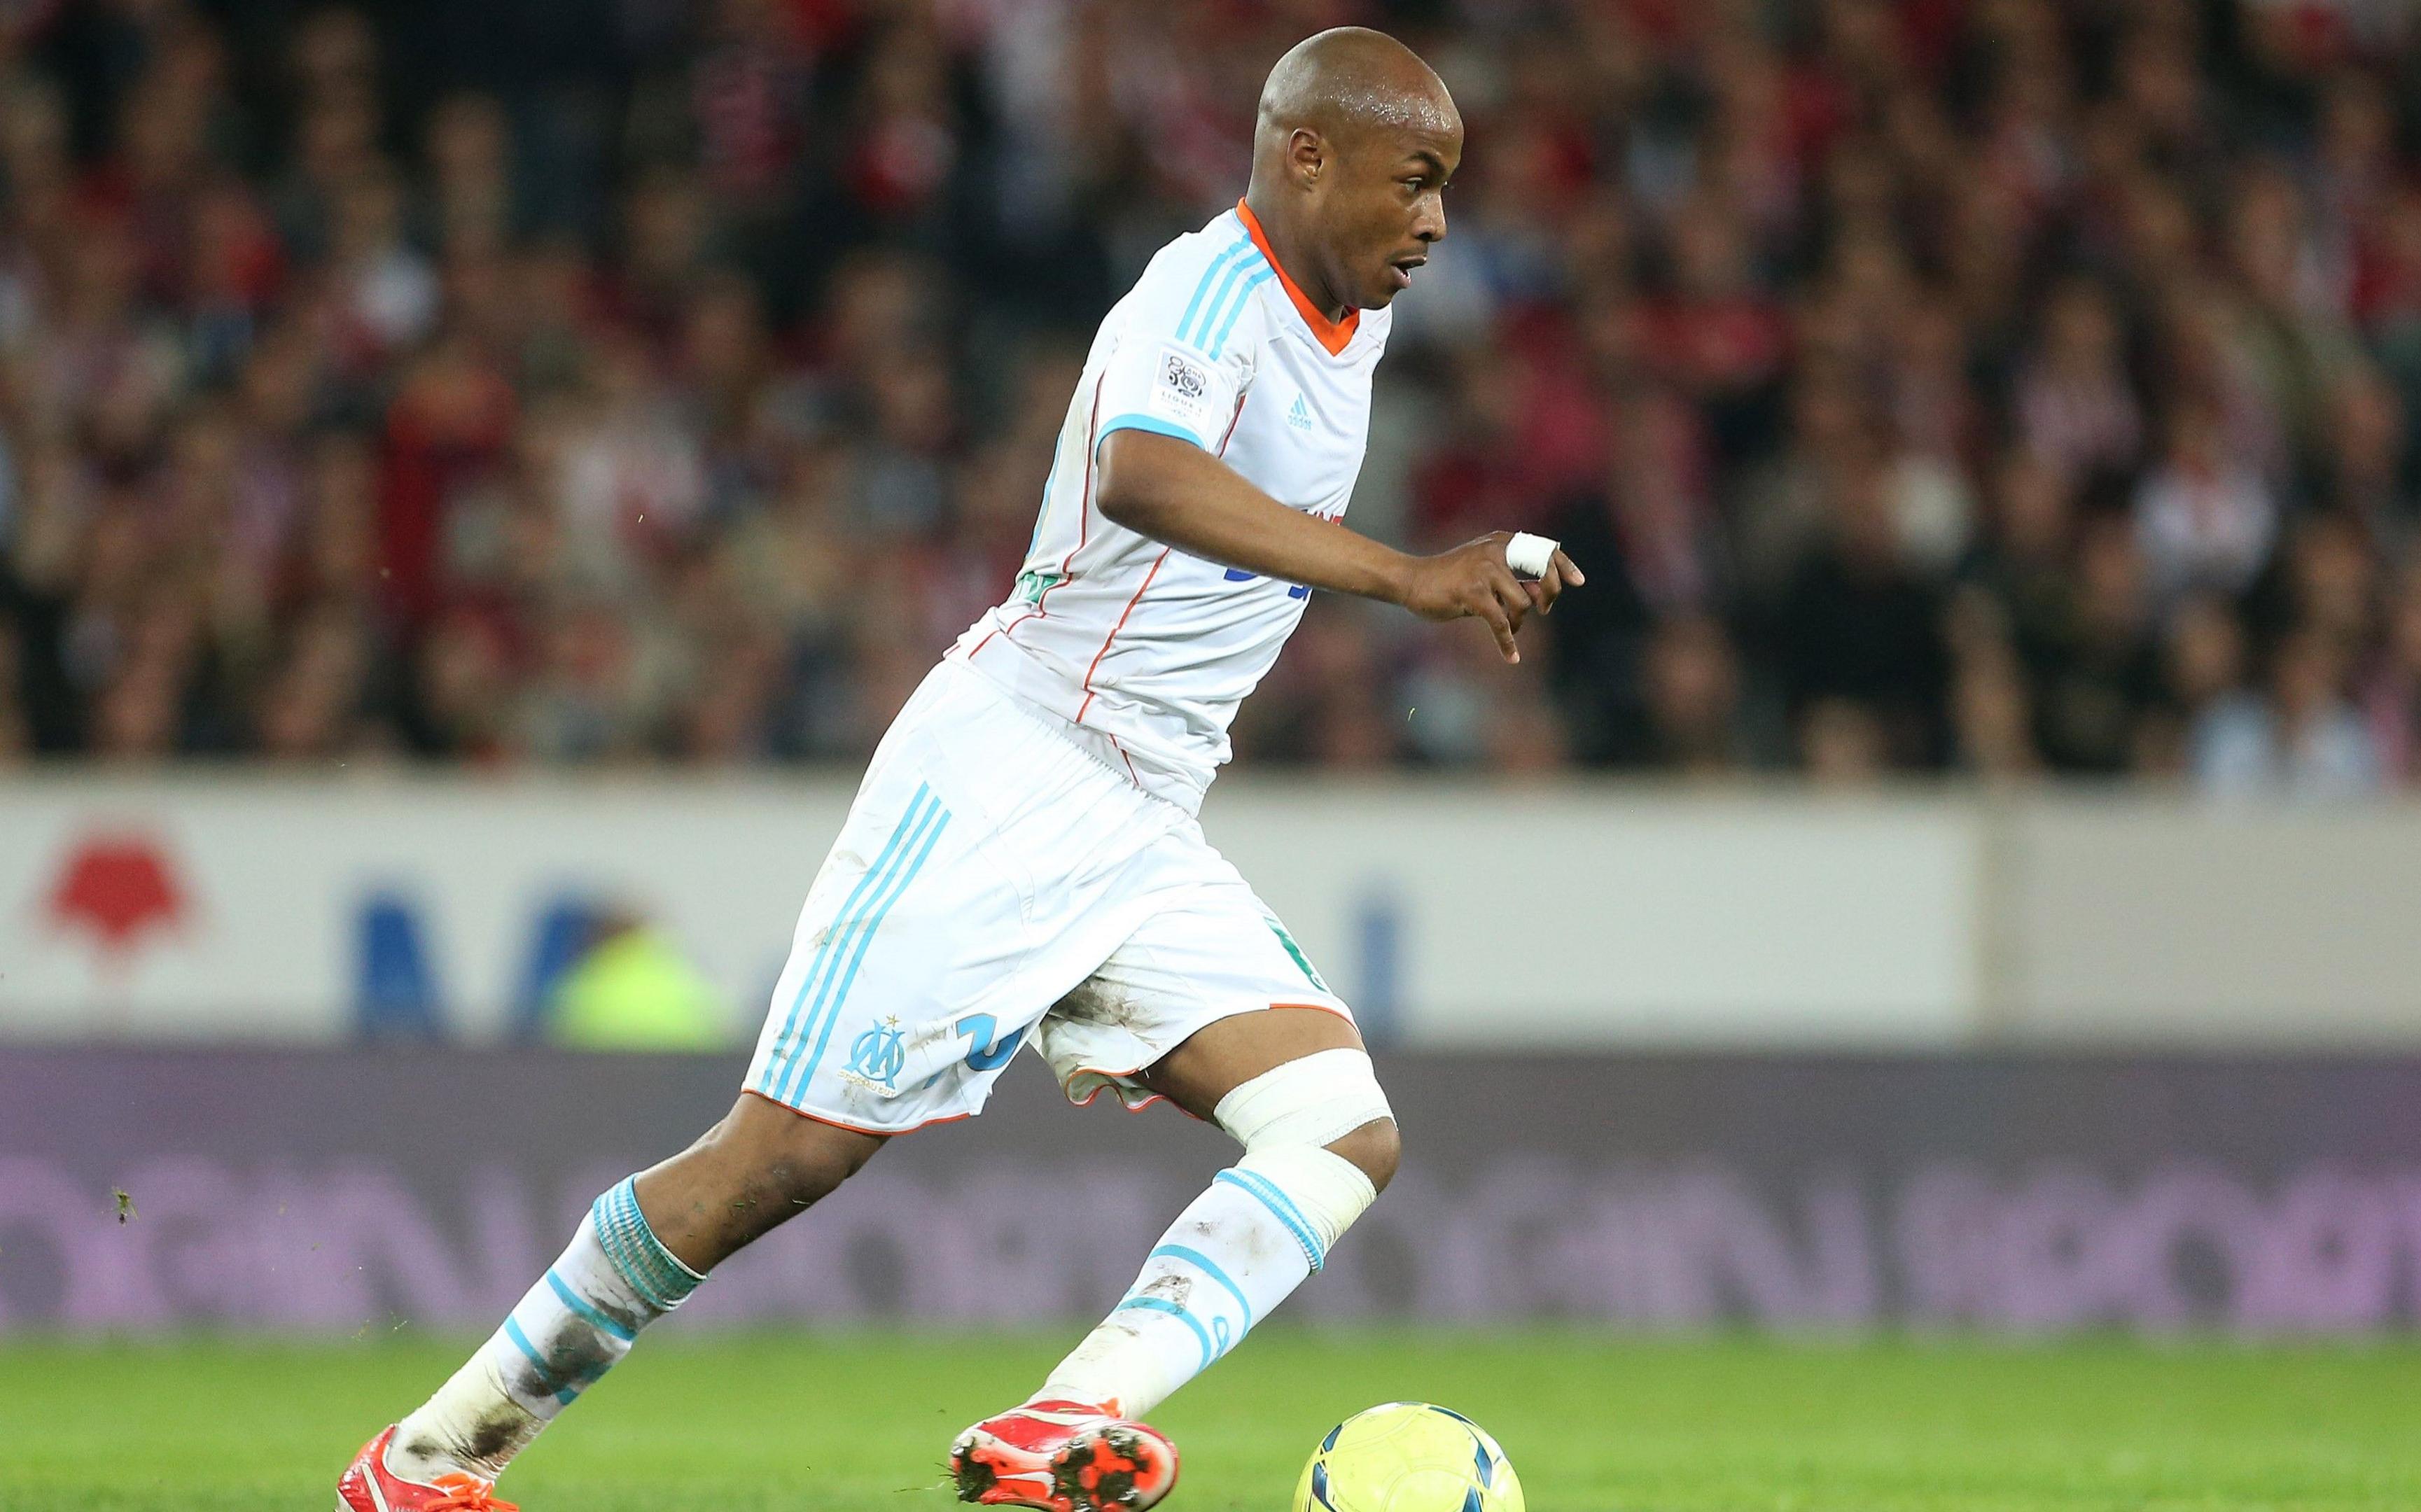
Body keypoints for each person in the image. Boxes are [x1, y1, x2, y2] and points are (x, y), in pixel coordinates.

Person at [337, 26, 1580, 1512]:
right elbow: (1142, 472)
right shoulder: (1203, 292)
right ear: (1306, 156)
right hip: (1014, 768)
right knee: (775, 1163)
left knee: (1339, 1127)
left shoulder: (1352, 315)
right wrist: (1409, 577)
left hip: (1142, 817)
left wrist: (1486, 555)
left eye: (1448, 189)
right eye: (1416, 181)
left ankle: (1059, 1428)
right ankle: (426, 1459)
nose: (1438, 221)